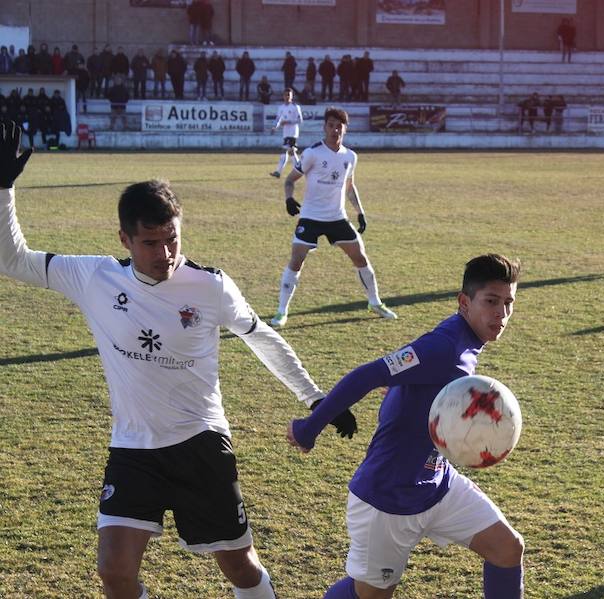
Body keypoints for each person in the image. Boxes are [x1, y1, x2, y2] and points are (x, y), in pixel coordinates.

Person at [0, 119, 358, 598]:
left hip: (200, 443)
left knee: (239, 566)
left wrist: (315, 397)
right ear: (124, 239)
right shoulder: (94, 277)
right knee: (114, 571)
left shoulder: (210, 286)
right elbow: (12, 260)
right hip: (133, 448)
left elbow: (263, 338)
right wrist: (3, 189)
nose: (165, 253)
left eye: (172, 238)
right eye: (151, 242)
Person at [288, 253, 525, 599]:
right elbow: (368, 374)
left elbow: (413, 383)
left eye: (508, 303)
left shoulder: (464, 341)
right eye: (491, 301)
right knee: (371, 596)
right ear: (464, 302)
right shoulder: (443, 346)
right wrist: (310, 428)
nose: (501, 314)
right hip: (388, 498)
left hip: (437, 484)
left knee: (507, 549)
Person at [271, 107, 397, 327]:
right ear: (325, 127)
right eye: (331, 125)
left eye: (339, 126)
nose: (334, 130)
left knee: (361, 258)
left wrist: (360, 212)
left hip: (337, 218)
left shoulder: (350, 156)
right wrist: (289, 199)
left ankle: (375, 302)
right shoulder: (313, 153)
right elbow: (290, 180)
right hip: (310, 217)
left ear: (345, 129)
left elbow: (350, 187)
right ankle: (282, 311)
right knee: (296, 261)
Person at [269, 88, 302, 179]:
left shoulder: (295, 107)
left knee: (286, 151)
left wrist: (287, 122)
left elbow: (300, 120)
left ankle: (279, 172)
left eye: (289, 95)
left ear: (292, 96)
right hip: (286, 133)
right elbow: (278, 119)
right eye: (285, 95)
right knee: (290, 152)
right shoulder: (281, 107)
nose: (287, 97)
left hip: (293, 133)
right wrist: (275, 127)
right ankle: (298, 169)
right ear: (283, 96)